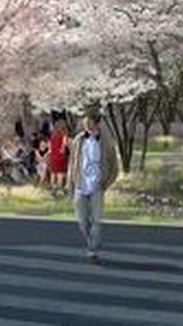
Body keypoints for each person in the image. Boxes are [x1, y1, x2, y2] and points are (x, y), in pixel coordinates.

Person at [72, 112, 119, 263]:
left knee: (97, 221)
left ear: (97, 124)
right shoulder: (78, 140)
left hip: (97, 187)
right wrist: (70, 182)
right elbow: (72, 163)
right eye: (85, 123)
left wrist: (106, 183)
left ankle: (92, 248)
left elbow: (114, 166)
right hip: (80, 186)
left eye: (90, 122)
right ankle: (90, 240)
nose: (87, 125)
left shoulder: (107, 142)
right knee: (82, 220)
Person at [48, 119, 70, 191]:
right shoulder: (64, 135)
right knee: (60, 173)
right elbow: (64, 146)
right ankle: (59, 189)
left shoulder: (52, 136)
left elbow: (50, 147)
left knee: (53, 173)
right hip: (60, 156)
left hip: (53, 156)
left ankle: (52, 188)